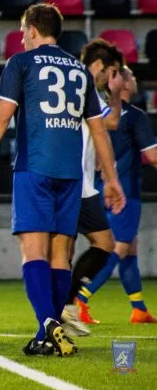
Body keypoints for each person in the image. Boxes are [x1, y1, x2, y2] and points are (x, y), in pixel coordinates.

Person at [0, 3, 126, 357]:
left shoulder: (21, 63)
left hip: (35, 169)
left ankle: (47, 323)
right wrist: (112, 180)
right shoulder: (81, 71)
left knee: (32, 252)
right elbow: (99, 133)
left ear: (34, 29)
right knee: (58, 257)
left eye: (23, 30)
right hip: (70, 176)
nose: (21, 37)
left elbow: (2, 117)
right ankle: (46, 334)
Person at [68, 67, 157, 325]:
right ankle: (80, 299)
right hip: (125, 192)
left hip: (98, 190)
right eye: (130, 77)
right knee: (116, 249)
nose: (135, 80)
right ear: (122, 84)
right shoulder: (135, 116)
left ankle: (138, 308)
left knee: (129, 247)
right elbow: (152, 157)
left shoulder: (99, 114)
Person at [59, 39, 124, 337]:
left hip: (69, 176)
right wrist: (115, 94)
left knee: (66, 249)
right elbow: (109, 124)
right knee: (104, 244)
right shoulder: (87, 85)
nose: (110, 78)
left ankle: (61, 312)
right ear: (98, 67)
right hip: (79, 183)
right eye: (110, 72)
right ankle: (66, 308)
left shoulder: (75, 84)